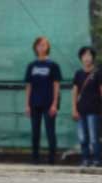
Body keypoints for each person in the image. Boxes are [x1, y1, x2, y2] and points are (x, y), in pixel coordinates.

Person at [25, 37, 62, 165]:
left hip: (48, 104)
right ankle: (35, 159)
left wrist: (54, 104)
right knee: (35, 132)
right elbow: (29, 86)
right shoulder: (31, 66)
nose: (41, 47)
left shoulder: (53, 65)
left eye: (44, 45)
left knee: (50, 131)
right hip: (34, 103)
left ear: (47, 47)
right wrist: (27, 105)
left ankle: (52, 160)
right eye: (39, 45)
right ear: (35, 47)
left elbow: (56, 85)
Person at [72, 46, 102, 167]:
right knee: (83, 137)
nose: (87, 58)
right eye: (84, 56)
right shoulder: (78, 74)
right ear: (81, 58)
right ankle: (85, 159)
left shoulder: (98, 73)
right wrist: (74, 109)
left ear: (93, 58)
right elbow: (75, 91)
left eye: (89, 55)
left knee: (94, 137)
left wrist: (95, 101)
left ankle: (96, 160)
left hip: (94, 110)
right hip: (81, 110)